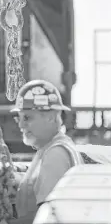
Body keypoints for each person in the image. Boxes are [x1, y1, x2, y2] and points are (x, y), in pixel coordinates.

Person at [11, 80, 83, 222]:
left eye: (27, 117)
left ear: (51, 117)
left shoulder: (55, 155)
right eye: (18, 118)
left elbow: (48, 217)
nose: (21, 124)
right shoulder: (52, 148)